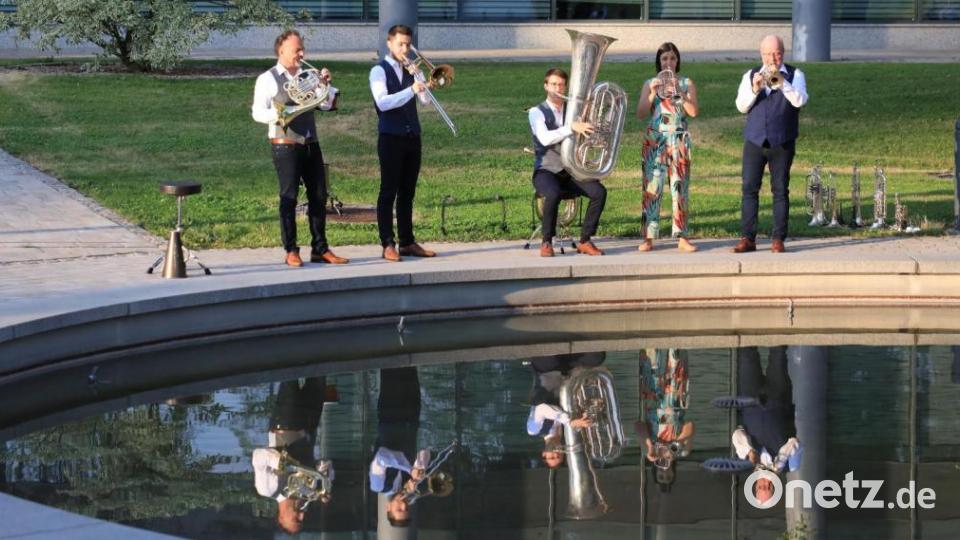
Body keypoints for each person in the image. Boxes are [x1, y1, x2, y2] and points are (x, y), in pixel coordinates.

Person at [251, 30, 348, 268]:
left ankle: (320, 248)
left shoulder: (309, 76)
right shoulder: (268, 78)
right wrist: (282, 113)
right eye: (297, 50)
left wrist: (326, 85)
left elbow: (325, 105)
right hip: (285, 144)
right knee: (289, 197)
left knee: (319, 195)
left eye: (302, 49)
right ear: (282, 50)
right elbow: (257, 112)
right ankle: (291, 249)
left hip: (310, 142)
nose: (302, 54)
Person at [733, 34, 809, 254]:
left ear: (783, 53)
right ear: (761, 54)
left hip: (782, 141)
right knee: (749, 188)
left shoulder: (796, 75)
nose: (772, 59)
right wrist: (755, 88)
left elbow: (800, 100)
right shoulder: (750, 75)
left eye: (776, 53)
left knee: (780, 190)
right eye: (767, 54)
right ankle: (748, 238)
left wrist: (782, 82)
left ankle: (778, 238)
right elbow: (741, 106)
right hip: (755, 140)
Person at [369, 24, 437, 262]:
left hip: (412, 137)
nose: (405, 48)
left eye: (408, 44)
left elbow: (426, 101)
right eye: (400, 44)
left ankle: (407, 242)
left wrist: (420, 80)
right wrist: (411, 89)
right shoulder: (378, 71)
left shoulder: (411, 69)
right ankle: (388, 243)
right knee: (388, 192)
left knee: (407, 192)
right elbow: (383, 103)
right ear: (389, 44)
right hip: (390, 138)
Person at [529, 68, 607, 257]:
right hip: (545, 171)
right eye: (553, 84)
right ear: (546, 86)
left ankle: (585, 240)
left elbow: (586, 136)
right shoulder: (536, 112)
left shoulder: (574, 112)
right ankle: (547, 242)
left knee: (599, 192)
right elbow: (545, 138)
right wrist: (571, 127)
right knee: (553, 193)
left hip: (571, 170)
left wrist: (595, 133)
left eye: (561, 85)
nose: (557, 88)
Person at [637, 43, 699, 253]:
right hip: (655, 139)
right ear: (659, 61)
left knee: (680, 188)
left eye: (672, 58)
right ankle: (648, 237)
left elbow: (693, 112)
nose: (669, 62)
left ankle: (681, 237)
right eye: (664, 59)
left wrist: (681, 91)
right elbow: (640, 113)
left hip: (679, 139)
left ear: (677, 61)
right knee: (652, 189)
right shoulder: (649, 83)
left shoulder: (686, 82)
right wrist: (652, 94)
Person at [251, 377, 334, 534]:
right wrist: (326, 480)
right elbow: (325, 463)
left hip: (286, 422)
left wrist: (281, 463)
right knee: (320, 374)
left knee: (290, 375)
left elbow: (258, 456)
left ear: (281, 518)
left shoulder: (267, 490)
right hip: (310, 425)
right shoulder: (307, 493)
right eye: (302, 519)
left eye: (296, 519)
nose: (302, 515)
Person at [732, 346, 802, 505]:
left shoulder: (745, 460)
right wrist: (780, 462)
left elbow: (737, 434)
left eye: (762, 486)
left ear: (756, 485)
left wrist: (749, 451)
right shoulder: (790, 466)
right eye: (769, 487)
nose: (766, 483)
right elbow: (795, 443)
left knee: (746, 355)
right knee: (778, 354)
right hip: (777, 399)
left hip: (750, 400)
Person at [369, 366, 428, 527]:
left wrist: (409, 469)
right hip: (411, 415)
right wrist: (419, 471)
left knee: (391, 366)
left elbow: (382, 456)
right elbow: (425, 450)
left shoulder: (378, 485)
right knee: (411, 366)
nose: (403, 505)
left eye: (399, 509)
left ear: (388, 508)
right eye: (407, 508)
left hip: (391, 414)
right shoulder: (410, 484)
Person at [525, 352, 604, 467]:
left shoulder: (534, 430)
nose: (555, 453)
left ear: (544, 454)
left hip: (546, 370)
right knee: (597, 357)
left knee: (550, 351)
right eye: (559, 456)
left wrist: (569, 420)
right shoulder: (568, 429)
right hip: (568, 371)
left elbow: (541, 409)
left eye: (551, 456)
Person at [635, 348, 694, 491]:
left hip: (652, 398)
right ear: (674, 473)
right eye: (668, 477)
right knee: (677, 353)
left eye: (661, 476)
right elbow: (689, 425)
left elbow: (638, 425)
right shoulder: (682, 452)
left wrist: (649, 446)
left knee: (651, 355)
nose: (664, 473)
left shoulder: (648, 452)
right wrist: (677, 443)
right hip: (675, 398)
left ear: (655, 472)